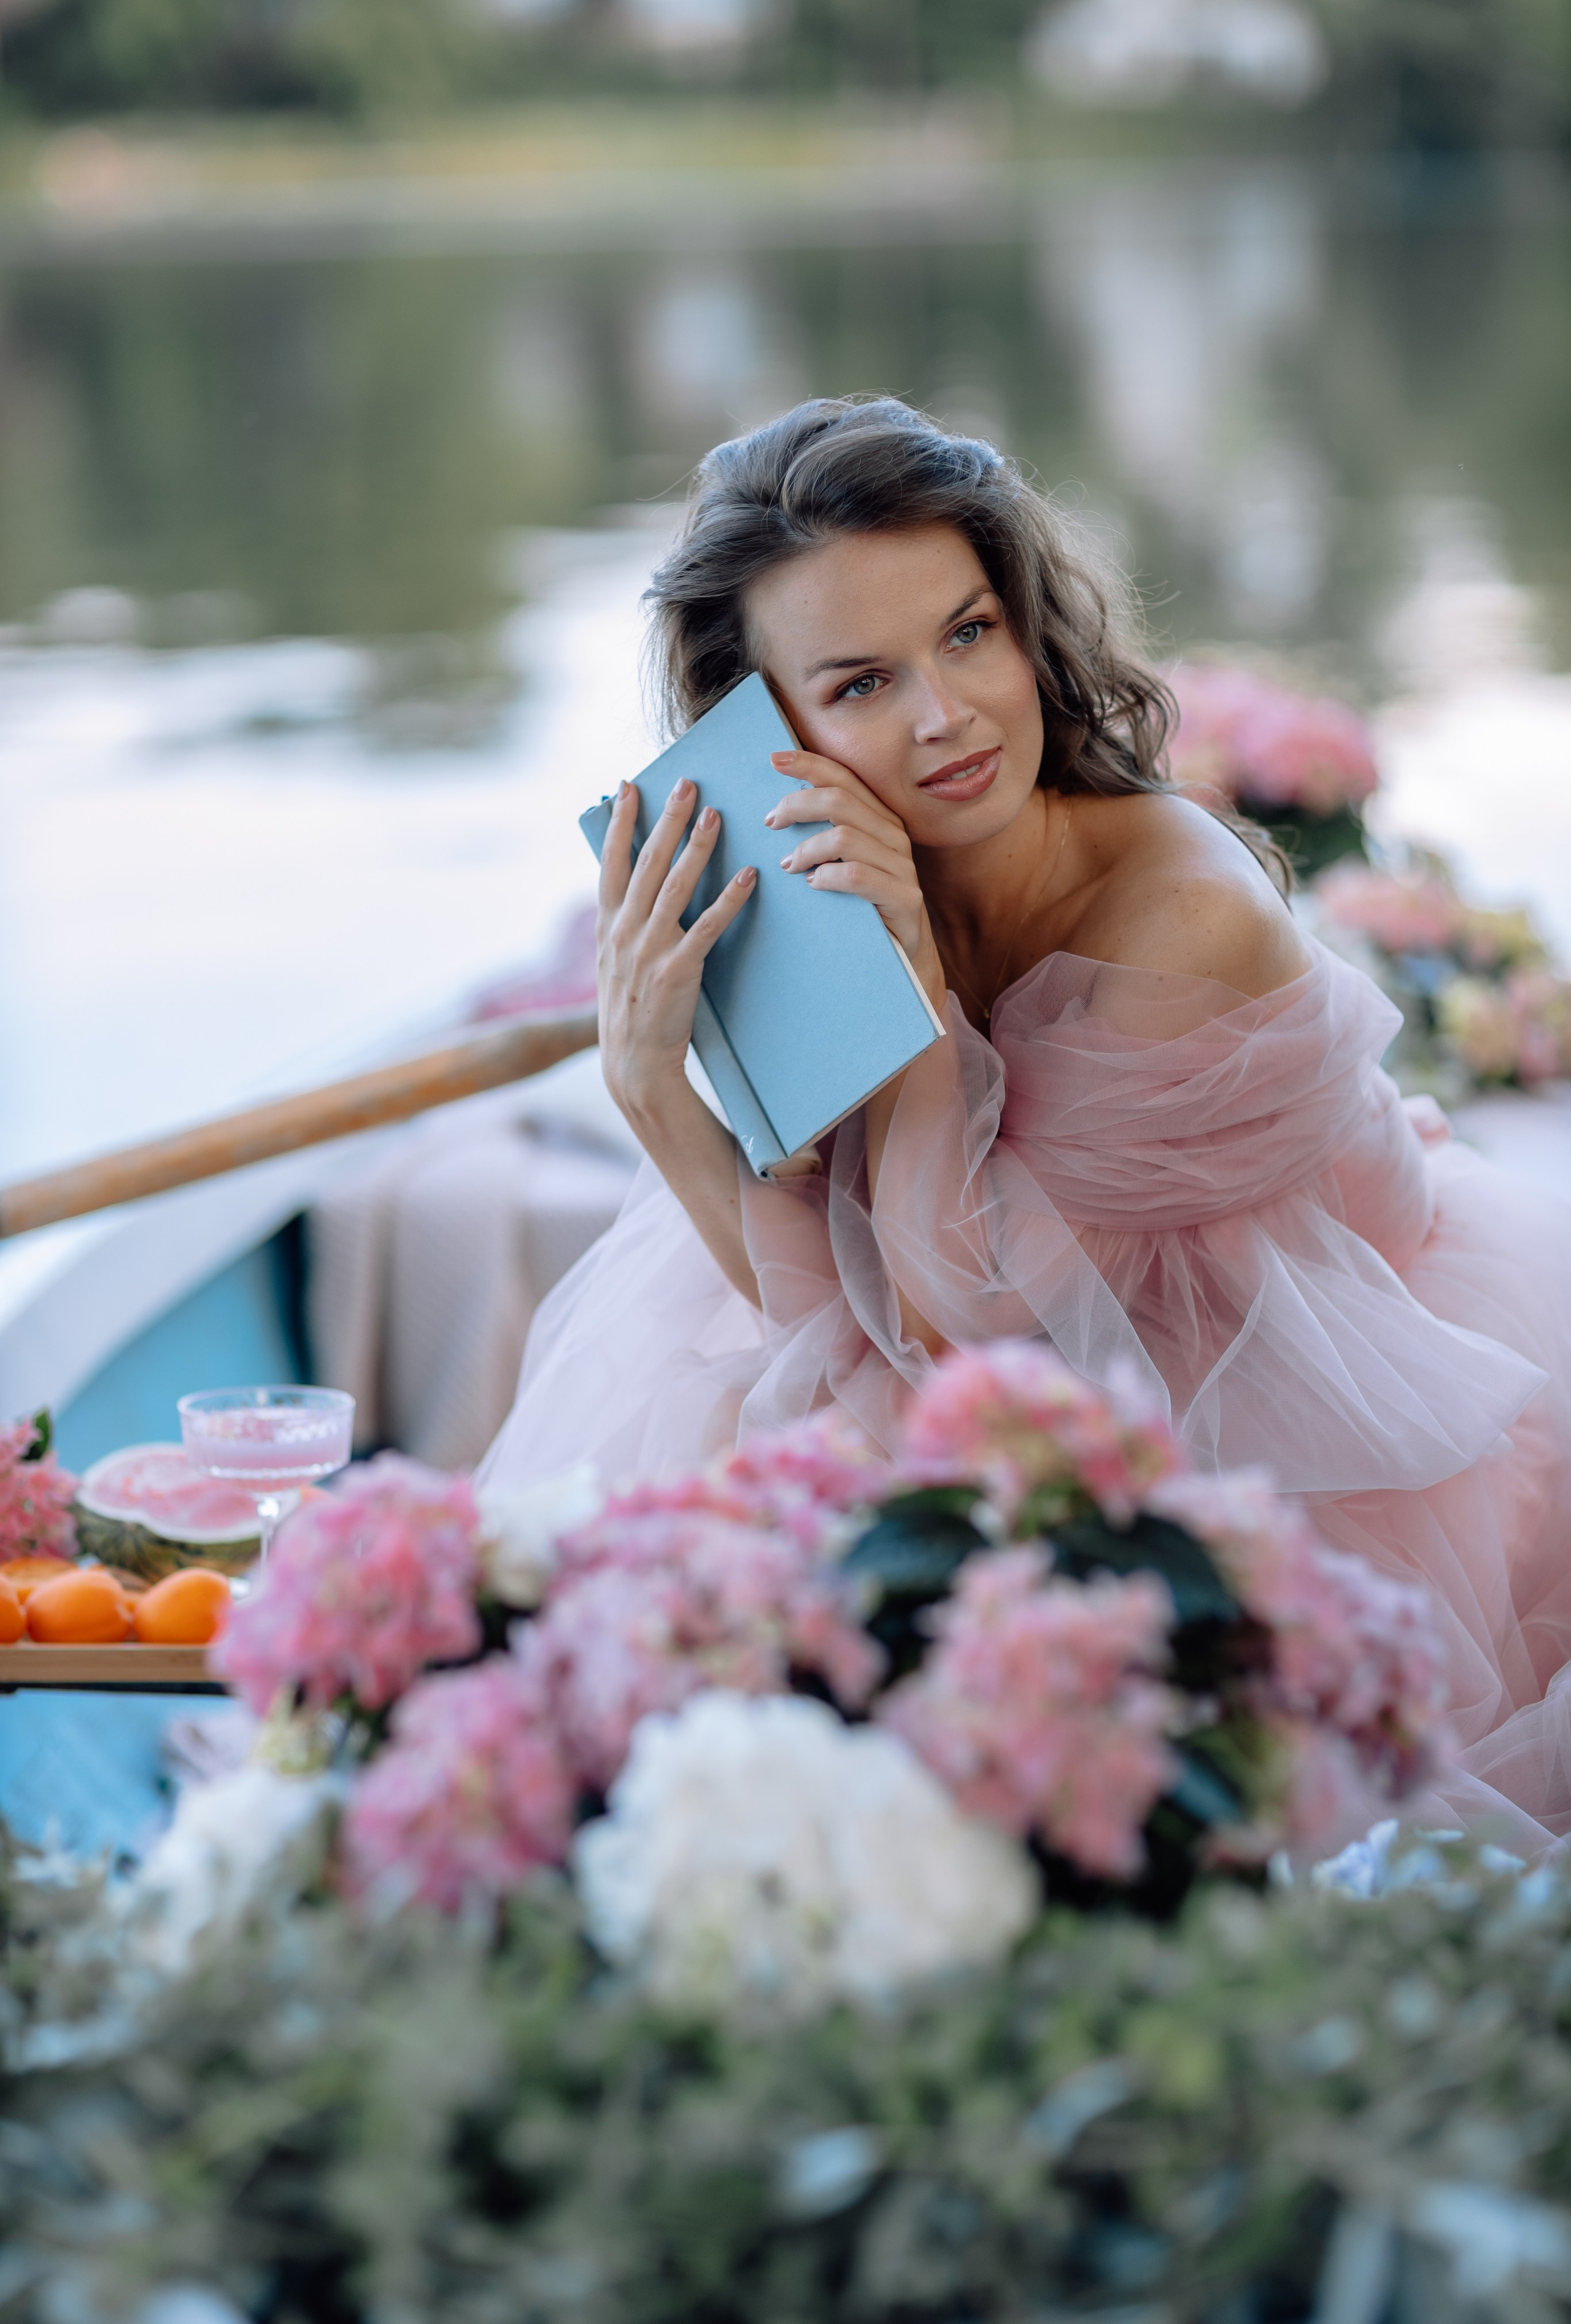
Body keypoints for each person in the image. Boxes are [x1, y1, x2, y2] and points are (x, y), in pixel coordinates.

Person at [483, 396, 1571, 1850]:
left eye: (967, 634)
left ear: (1023, 624)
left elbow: (952, 1358)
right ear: (763, 728)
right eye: (860, 684)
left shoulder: (1181, 921)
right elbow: (837, 1317)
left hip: (1281, 1397)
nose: (944, 718)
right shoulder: (829, 874)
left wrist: (910, 1007)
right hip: (1005, 1354)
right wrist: (655, 1091)